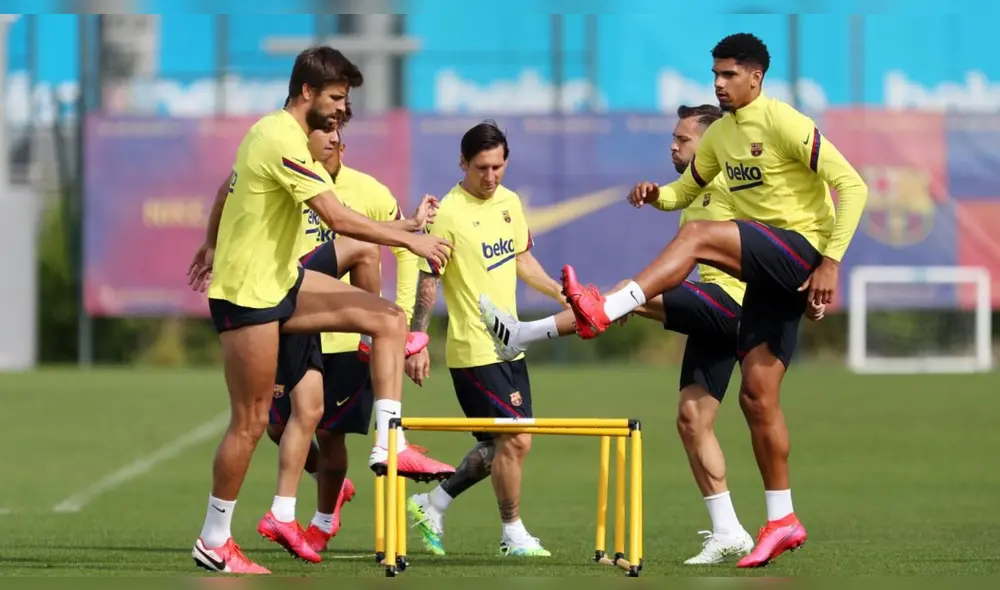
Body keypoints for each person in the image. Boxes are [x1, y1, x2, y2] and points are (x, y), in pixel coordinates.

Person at [559, 33, 868, 568]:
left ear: (756, 77)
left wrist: (831, 262)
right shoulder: (721, 136)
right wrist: (658, 194)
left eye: (729, 75)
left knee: (701, 233)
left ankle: (608, 306)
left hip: (801, 250)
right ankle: (782, 520)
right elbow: (685, 192)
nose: (719, 85)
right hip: (768, 275)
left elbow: (853, 186)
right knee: (757, 397)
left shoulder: (784, 123)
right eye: (715, 76)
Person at [185, 46, 454, 575]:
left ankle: (388, 443)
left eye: (345, 100)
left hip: (282, 282)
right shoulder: (277, 137)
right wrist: (416, 243)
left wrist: (408, 231)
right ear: (306, 92)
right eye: (334, 98)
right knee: (251, 422)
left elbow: (233, 190)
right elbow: (334, 215)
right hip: (248, 296)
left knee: (388, 319)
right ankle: (214, 539)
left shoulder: (290, 141)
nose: (339, 111)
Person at [481, 103, 780, 564]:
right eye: (674, 138)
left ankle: (523, 336)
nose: (673, 145)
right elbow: (675, 196)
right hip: (710, 309)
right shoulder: (696, 186)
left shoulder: (734, 181)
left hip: (735, 306)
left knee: (626, 293)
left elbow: (782, 222)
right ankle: (729, 531)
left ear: (713, 142)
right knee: (692, 421)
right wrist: (653, 192)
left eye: (683, 139)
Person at [265, 123, 454, 557]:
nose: (329, 140)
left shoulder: (367, 189)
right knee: (274, 424)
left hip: (344, 340)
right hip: (294, 316)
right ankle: (325, 489)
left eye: (336, 133)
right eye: (321, 132)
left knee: (330, 435)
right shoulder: (289, 180)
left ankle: (322, 523)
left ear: (343, 146)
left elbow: (406, 248)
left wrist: (404, 325)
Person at [403, 121, 566, 558]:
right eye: (481, 168)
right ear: (463, 162)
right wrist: (417, 338)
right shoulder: (448, 213)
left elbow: (522, 259)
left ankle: (431, 503)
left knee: (500, 446)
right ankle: (511, 533)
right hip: (473, 349)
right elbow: (428, 281)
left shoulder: (510, 202)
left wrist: (560, 291)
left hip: (511, 345)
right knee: (516, 441)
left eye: (497, 166)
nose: (491, 176)